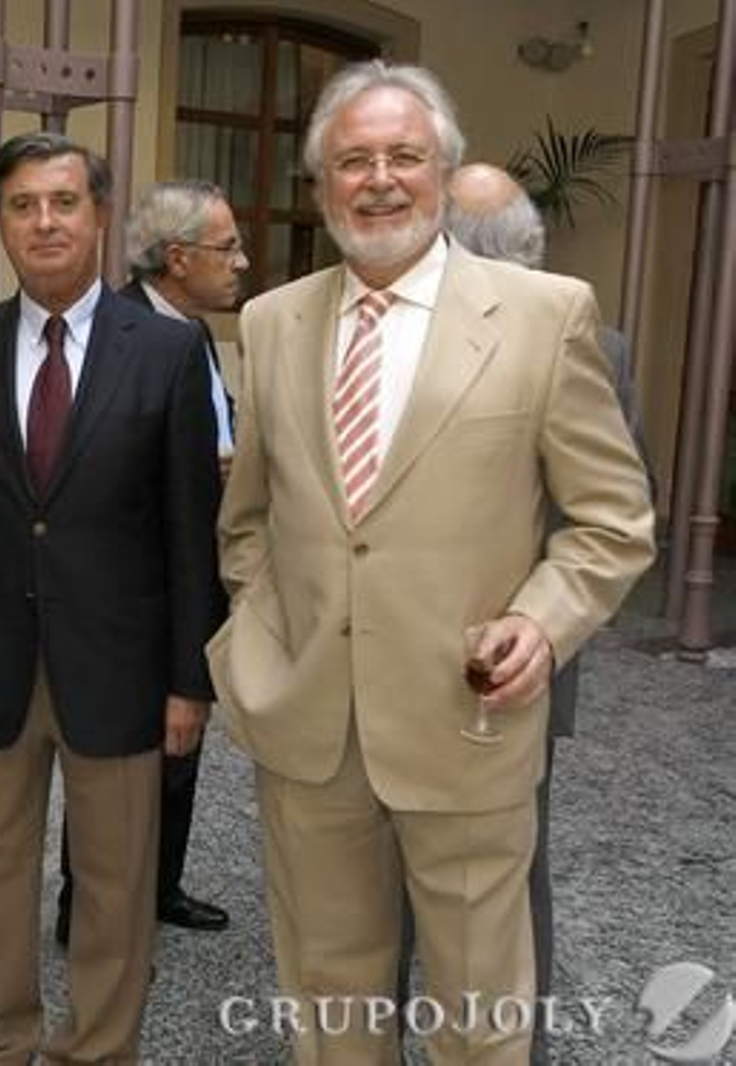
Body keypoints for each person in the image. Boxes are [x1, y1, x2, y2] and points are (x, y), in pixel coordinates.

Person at [206, 62, 655, 1064]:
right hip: (309, 724)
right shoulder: (273, 324)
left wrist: (541, 621)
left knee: (478, 1013)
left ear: (445, 174)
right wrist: (257, 631)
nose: (378, 179)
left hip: (467, 720)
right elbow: (249, 516)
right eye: (352, 160)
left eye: (403, 156)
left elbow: (612, 517)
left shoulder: (545, 315)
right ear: (320, 186)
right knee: (328, 998)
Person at [0, 132, 227, 1063]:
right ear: (0, 223)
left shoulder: (167, 354)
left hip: (124, 673)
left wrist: (189, 680)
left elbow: (188, 533)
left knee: (116, 883)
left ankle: (98, 1047)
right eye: (21, 205)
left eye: (62, 202)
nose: (43, 221)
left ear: (97, 218)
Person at [393, 161, 647, 1063]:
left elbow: (610, 510)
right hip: (386, 650)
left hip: (507, 662)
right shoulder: (390, 334)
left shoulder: (590, 344)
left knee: (507, 862)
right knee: (386, 857)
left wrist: (539, 624)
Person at [54, 179, 244, 948]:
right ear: (177, 258)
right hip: (129, 584)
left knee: (181, 734)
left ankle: (158, 886)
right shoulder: (112, 332)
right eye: (226, 247)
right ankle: (86, 908)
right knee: (114, 760)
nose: (241, 261)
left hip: (193, 567)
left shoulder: (191, 331)